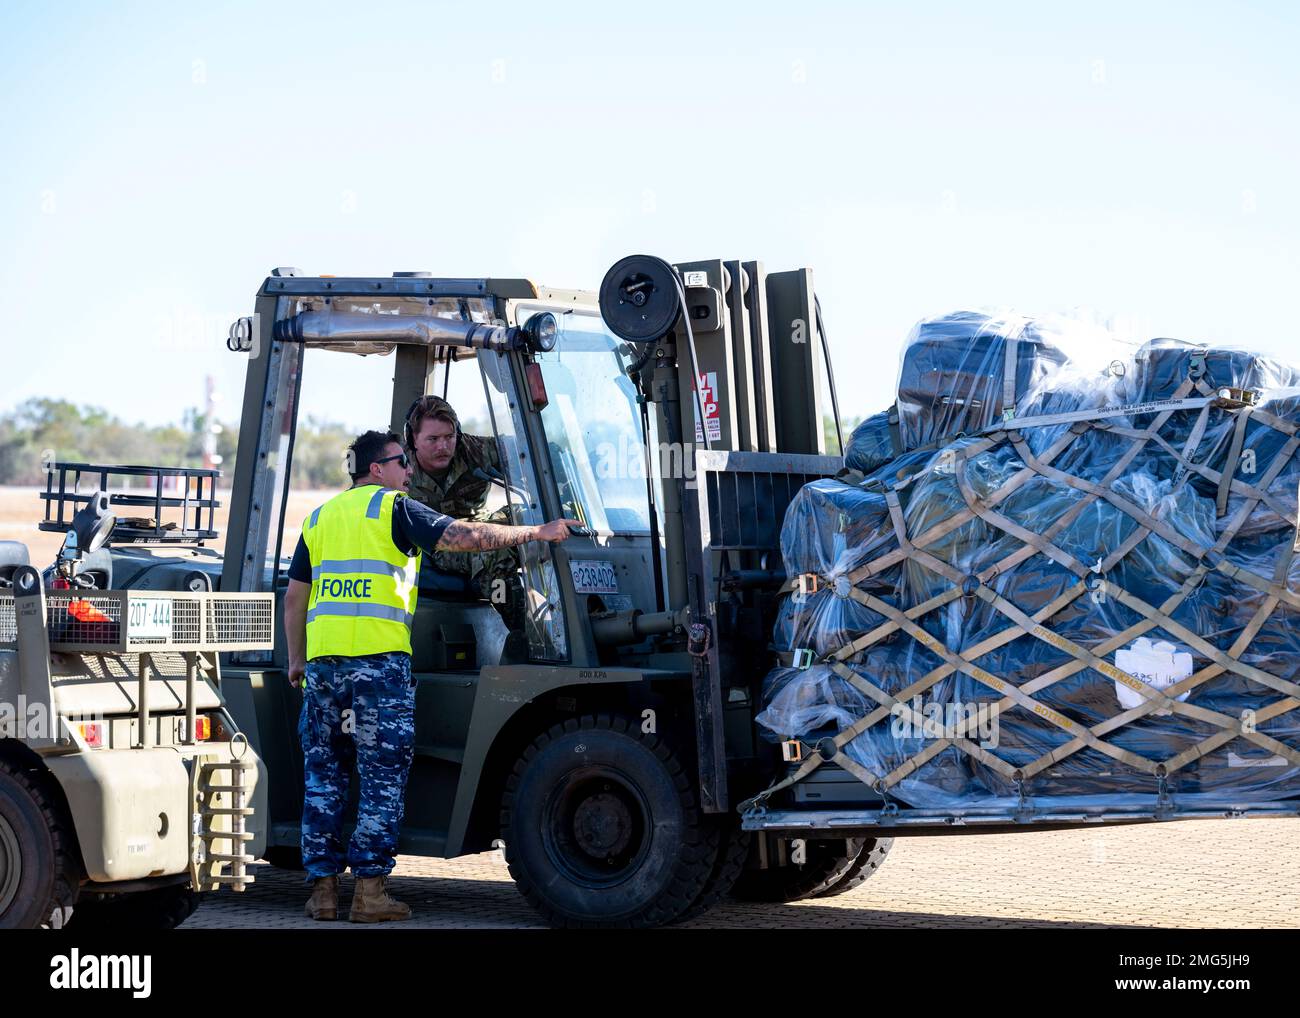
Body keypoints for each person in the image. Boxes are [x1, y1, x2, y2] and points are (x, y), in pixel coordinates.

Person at [282, 429, 573, 922]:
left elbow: (295, 597)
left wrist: (296, 659)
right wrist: (534, 532)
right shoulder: (392, 508)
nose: (409, 471)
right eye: (401, 463)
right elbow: (462, 537)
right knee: (380, 779)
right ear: (377, 469)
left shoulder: (319, 518)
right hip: (377, 666)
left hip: (324, 670)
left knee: (324, 779)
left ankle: (324, 893)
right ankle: (370, 894)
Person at [403, 395, 524, 623]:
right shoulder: (398, 465)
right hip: (439, 540)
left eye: (450, 437)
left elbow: (530, 452)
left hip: (481, 524)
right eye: (433, 439)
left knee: (527, 517)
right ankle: (523, 634)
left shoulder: (475, 450)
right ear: (413, 440)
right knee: (494, 549)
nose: (443, 446)